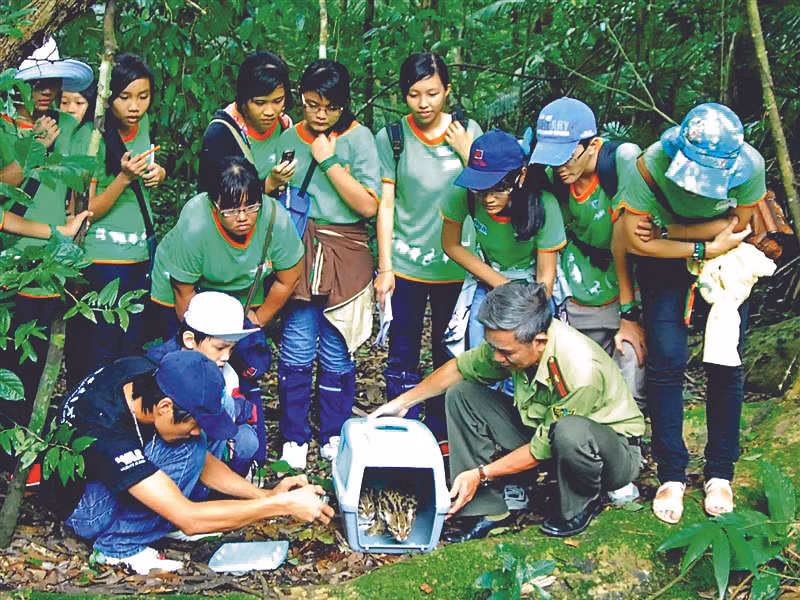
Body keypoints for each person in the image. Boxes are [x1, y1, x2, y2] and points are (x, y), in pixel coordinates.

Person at [373, 282, 644, 540]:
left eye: (505, 353)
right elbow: (460, 368)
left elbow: (543, 447)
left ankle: (581, 503)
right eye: (493, 348)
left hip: (609, 454)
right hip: (548, 434)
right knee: (463, 394)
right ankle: (485, 508)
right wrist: (402, 403)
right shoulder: (513, 345)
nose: (496, 358)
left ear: (539, 341)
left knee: (569, 430)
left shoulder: (579, 369)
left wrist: (480, 473)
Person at [46, 350, 332, 575]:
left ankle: (151, 523)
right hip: (85, 509)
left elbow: (202, 460)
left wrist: (266, 495)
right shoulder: (105, 429)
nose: (197, 431)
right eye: (194, 423)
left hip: (105, 475)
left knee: (191, 444)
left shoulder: (145, 375)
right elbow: (190, 519)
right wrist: (280, 507)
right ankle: (117, 547)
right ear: (165, 407)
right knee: (188, 446)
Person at [611, 103, 762, 524]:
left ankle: (720, 472)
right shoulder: (649, 165)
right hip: (662, 267)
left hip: (724, 265)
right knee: (666, 363)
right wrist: (700, 242)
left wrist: (671, 232)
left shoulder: (750, 166)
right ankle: (671, 472)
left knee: (725, 363)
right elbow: (635, 241)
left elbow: (739, 230)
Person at [150, 156, 305, 466]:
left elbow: (289, 278)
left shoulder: (274, 219)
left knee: (242, 362)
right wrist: (197, 349)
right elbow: (184, 294)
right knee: (189, 372)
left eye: (251, 207)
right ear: (214, 204)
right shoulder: (195, 225)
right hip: (191, 291)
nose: (243, 217)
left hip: (244, 294)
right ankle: (178, 452)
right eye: (232, 210)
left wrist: (258, 320)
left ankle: (244, 449)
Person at [276, 60, 381, 469]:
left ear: (344, 105)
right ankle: (294, 437)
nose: (320, 115)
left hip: (346, 250)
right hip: (298, 247)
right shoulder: (289, 135)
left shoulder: (360, 138)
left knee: (338, 345)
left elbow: (368, 206)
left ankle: (334, 434)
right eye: (312, 104)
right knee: (297, 344)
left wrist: (329, 161)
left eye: (330, 107)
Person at [374, 52, 481, 443]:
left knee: (448, 354)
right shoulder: (393, 138)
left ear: (447, 92)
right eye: (414, 94)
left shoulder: (467, 130)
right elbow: (386, 203)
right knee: (402, 355)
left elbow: (488, 192)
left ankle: (442, 436)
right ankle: (396, 431)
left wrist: (468, 152)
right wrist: (384, 267)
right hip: (406, 265)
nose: (423, 103)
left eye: (432, 93)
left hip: (457, 266)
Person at [0, 38, 93, 439]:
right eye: (35, 82)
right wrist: (35, 149)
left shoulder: (70, 125)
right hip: (9, 269)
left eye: (52, 80)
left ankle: (19, 456)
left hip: (49, 272)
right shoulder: (4, 128)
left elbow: (81, 180)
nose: (46, 89)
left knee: (33, 370)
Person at [528, 97, 645, 407]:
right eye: (552, 157)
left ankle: (626, 440)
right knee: (574, 376)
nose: (559, 166)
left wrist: (629, 313)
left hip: (625, 284)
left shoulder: (621, 163)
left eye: (566, 156)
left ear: (592, 145)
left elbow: (626, 239)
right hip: (575, 287)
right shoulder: (553, 175)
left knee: (630, 361)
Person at [65, 53, 167, 389]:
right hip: (103, 258)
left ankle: (121, 424)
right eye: (124, 97)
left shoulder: (143, 127)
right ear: (107, 98)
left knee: (131, 349)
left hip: (139, 255)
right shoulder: (89, 138)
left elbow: (146, 173)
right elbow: (85, 211)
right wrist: (123, 179)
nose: (135, 106)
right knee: (101, 350)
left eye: (143, 96)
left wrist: (157, 174)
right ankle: (88, 424)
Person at [442, 128, 566, 350]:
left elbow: (545, 277)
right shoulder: (462, 193)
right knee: (481, 351)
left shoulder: (543, 205)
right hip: (489, 277)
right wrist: (502, 284)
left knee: (523, 349)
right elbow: (450, 244)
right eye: (480, 189)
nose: (488, 199)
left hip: (532, 285)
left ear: (522, 175)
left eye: (499, 188)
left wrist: (527, 306)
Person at [145, 291, 261, 477]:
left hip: (205, 437)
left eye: (231, 348)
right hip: (164, 446)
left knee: (246, 440)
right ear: (189, 340)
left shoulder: (227, 372)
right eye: (220, 348)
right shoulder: (157, 367)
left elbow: (241, 410)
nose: (226, 357)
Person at [198, 51, 296, 195]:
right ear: (243, 98)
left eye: (277, 101)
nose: (270, 111)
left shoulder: (285, 125)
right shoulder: (221, 134)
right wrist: (271, 183)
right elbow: (215, 198)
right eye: (259, 103)